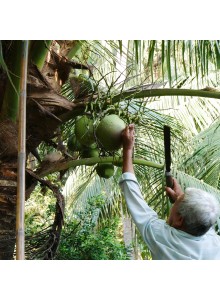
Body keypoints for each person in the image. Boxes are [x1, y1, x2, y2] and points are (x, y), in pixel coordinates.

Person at [119, 124, 220, 260]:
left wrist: (127, 149)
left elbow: (132, 193)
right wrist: (180, 200)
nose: (176, 199)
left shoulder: (162, 238)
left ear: (179, 219)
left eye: (177, 202)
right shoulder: (214, 243)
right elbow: (204, 221)